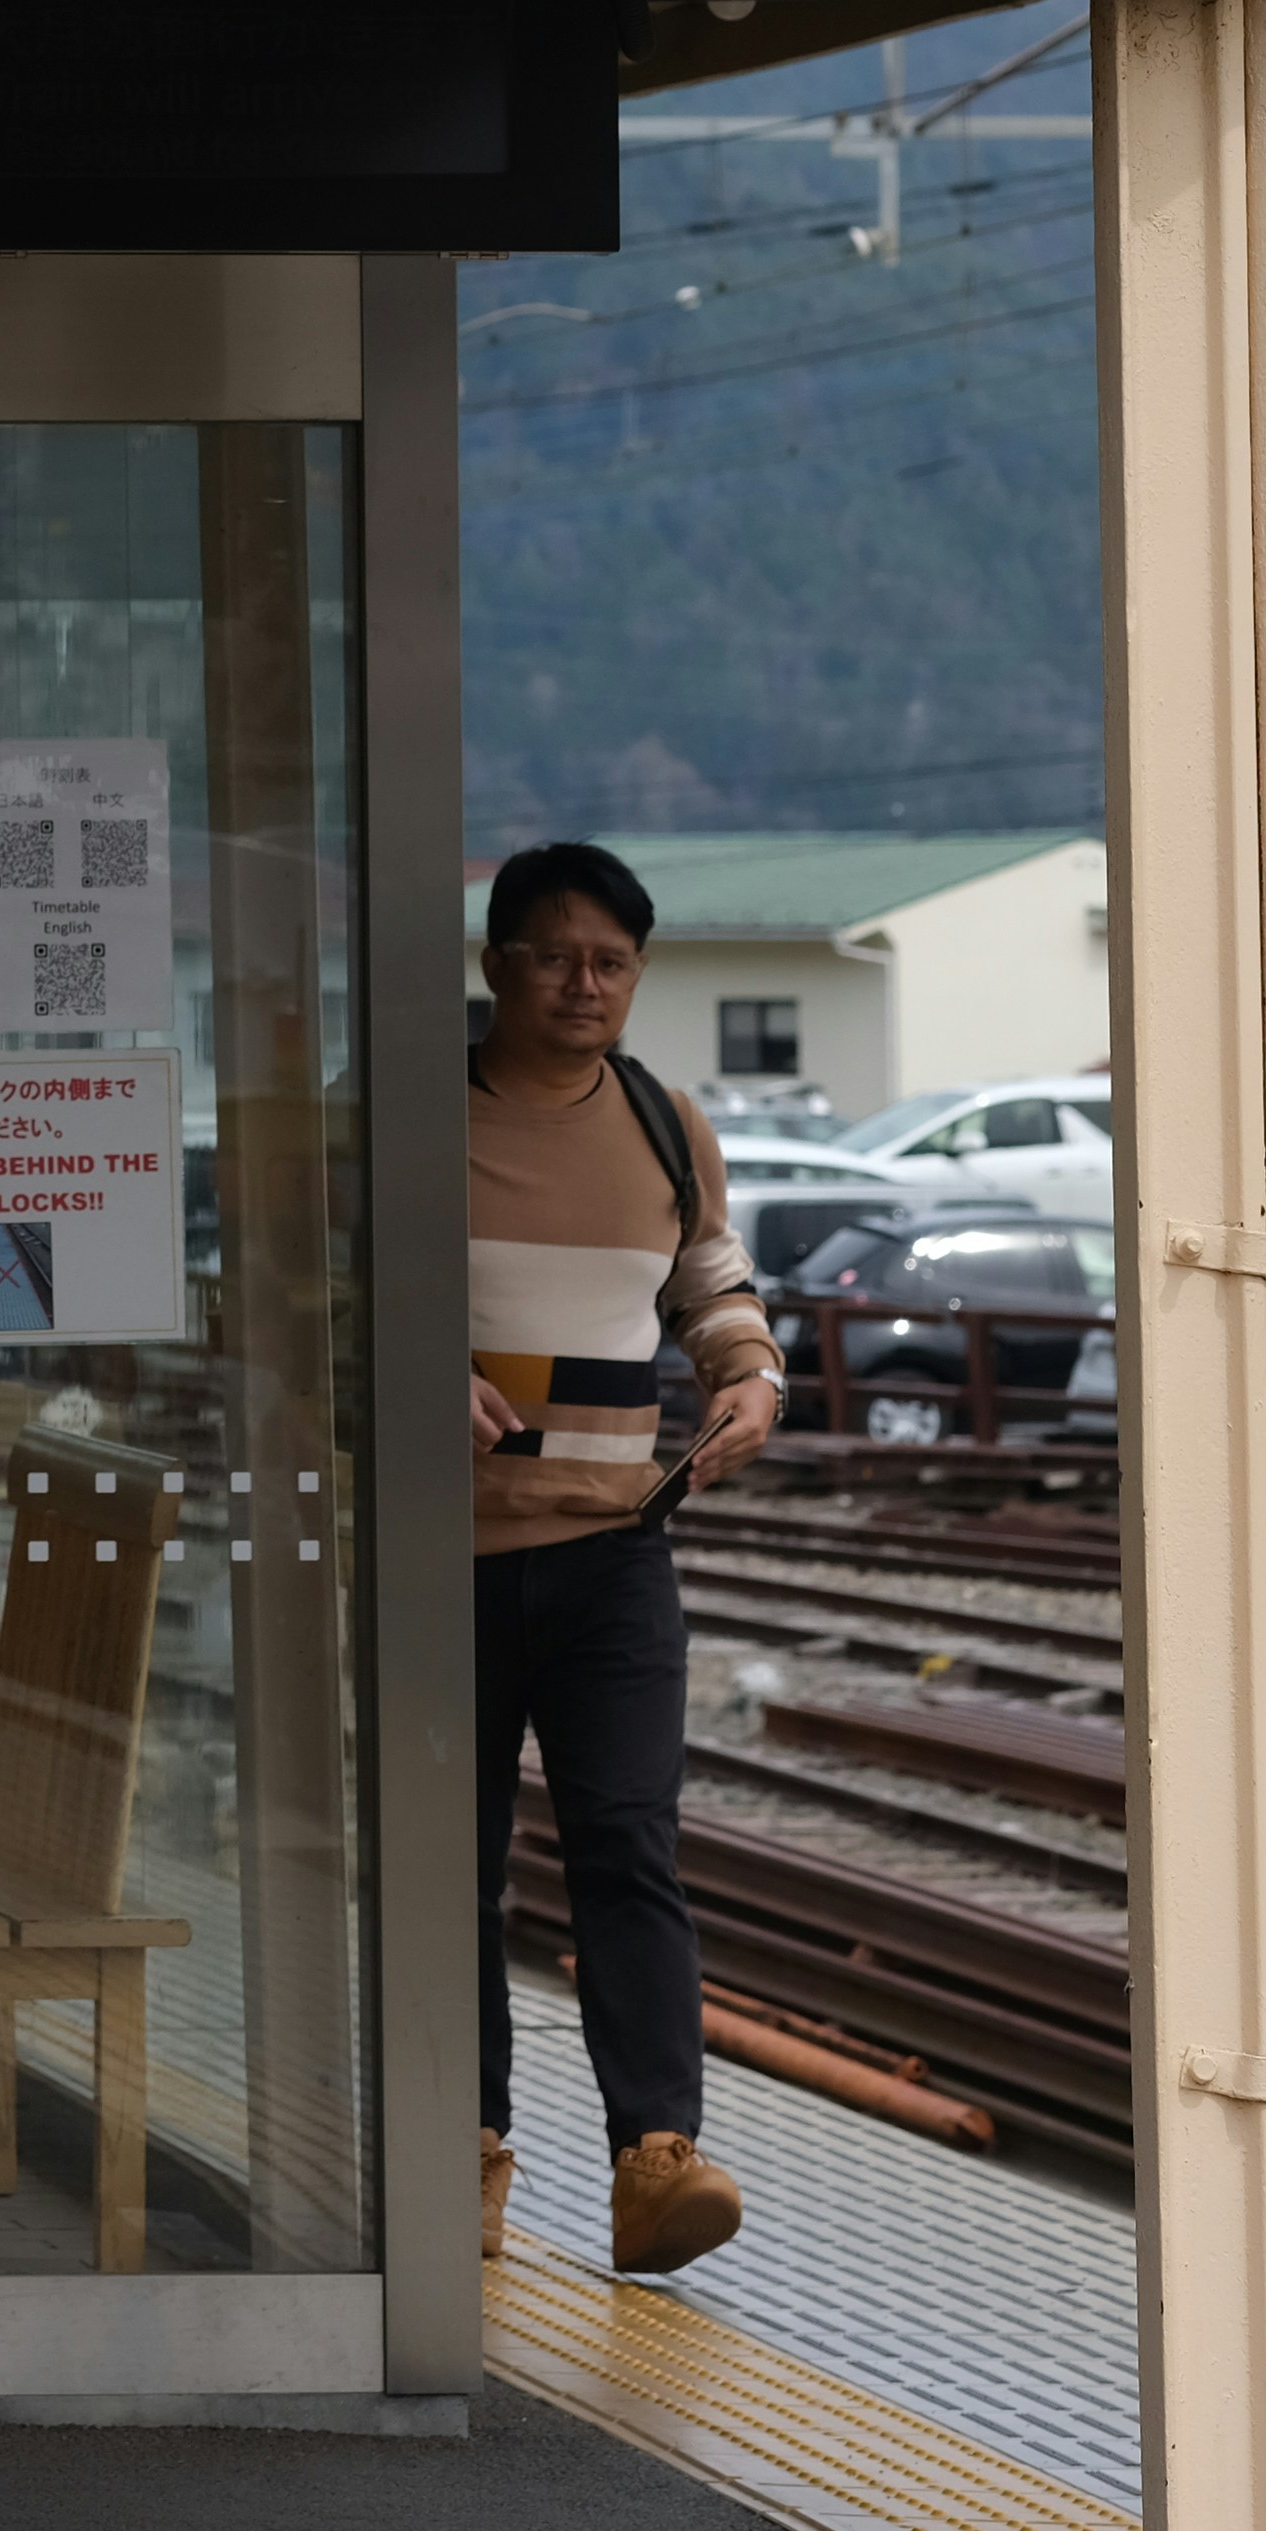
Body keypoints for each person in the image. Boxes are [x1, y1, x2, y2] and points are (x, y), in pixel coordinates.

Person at [460, 834, 775, 2278]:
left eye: (612, 962)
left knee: (629, 1851)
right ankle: (457, 2149)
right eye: (556, 956)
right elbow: (293, 1283)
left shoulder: (662, 1121)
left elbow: (707, 1276)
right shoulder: (410, 1109)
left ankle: (657, 2158)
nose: (585, 984)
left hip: (614, 1553)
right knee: (445, 1865)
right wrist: (404, 1363)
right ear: (496, 965)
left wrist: (748, 1374)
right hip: (440, 1560)